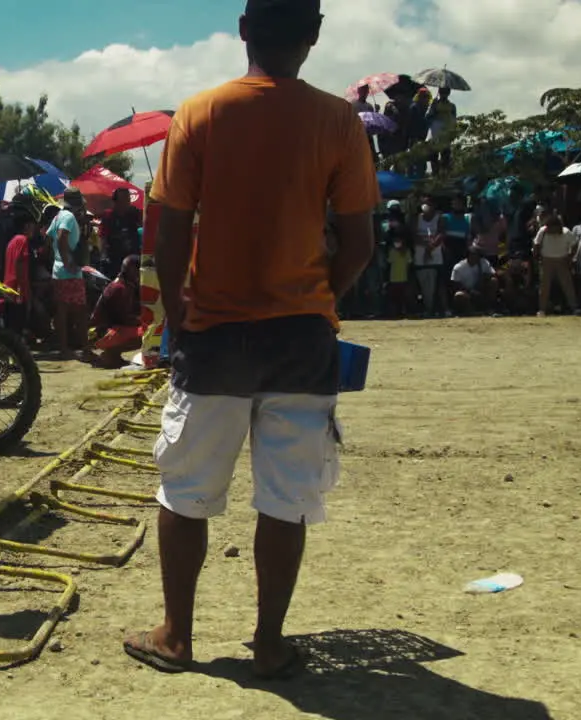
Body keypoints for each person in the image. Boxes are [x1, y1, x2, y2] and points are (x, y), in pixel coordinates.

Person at [123, 0, 377, 679]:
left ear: (244, 30)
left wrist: (178, 308)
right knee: (287, 496)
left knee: (186, 490)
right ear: (314, 35)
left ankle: (177, 636)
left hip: (214, 330)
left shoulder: (201, 113)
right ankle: (269, 642)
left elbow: (171, 227)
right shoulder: (337, 121)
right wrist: (321, 294)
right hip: (301, 336)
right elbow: (359, 242)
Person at [49, 188, 89, 360]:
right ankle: (85, 349)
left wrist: (58, 258)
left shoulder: (57, 216)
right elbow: (61, 237)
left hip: (58, 271)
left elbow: (48, 236)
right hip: (70, 272)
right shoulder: (69, 217)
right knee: (80, 311)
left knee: (62, 311)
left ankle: (64, 348)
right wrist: (67, 261)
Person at [87, 254, 143, 369]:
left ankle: (113, 355)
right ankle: (110, 355)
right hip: (99, 333)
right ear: (132, 270)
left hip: (103, 330)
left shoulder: (125, 285)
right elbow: (124, 319)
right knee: (147, 333)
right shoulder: (120, 288)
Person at [533, 211, 580, 316]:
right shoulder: (543, 231)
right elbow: (536, 244)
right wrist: (537, 258)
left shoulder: (566, 232)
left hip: (562, 260)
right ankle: (542, 309)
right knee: (544, 286)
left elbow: (574, 244)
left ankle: (574, 307)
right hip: (546, 261)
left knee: (567, 284)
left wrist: (570, 257)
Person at [2, 211, 36, 338]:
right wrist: (24, 291)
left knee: (11, 328)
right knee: (17, 327)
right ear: (27, 226)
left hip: (8, 288)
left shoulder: (12, 241)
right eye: (33, 226)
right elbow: (20, 265)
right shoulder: (22, 240)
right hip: (17, 289)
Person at [412, 196, 447, 316]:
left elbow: (441, 233)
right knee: (423, 283)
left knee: (437, 283)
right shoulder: (417, 218)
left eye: (427, 203)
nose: (425, 205)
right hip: (420, 256)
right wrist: (425, 246)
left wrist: (430, 247)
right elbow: (414, 235)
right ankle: (426, 308)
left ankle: (439, 308)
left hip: (436, 255)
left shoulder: (439, 218)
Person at [98, 188, 142, 278]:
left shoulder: (134, 213)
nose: (127, 202)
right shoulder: (108, 215)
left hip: (132, 259)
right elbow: (103, 237)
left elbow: (145, 222)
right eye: (124, 199)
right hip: (114, 259)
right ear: (116, 201)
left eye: (128, 199)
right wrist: (103, 256)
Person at [384, 205, 412, 318]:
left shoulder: (404, 227)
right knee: (393, 295)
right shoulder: (388, 229)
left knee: (404, 295)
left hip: (404, 275)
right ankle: (394, 312)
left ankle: (404, 311)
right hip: (393, 275)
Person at [450, 247, 497, 316]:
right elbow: (455, 284)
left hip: (481, 290)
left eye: (476, 255)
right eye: (472, 255)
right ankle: (470, 312)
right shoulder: (459, 267)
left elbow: (493, 274)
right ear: (467, 256)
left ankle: (489, 308)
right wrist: (470, 291)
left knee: (493, 281)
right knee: (459, 295)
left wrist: (483, 279)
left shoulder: (483, 263)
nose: (474, 258)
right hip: (467, 292)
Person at [426, 87, 458, 173]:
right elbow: (429, 117)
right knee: (434, 155)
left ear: (448, 93)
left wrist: (454, 132)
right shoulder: (435, 104)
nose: (444, 94)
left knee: (446, 156)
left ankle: (444, 175)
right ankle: (435, 174)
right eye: (442, 92)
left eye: (446, 92)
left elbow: (454, 119)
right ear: (439, 93)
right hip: (436, 133)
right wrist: (433, 107)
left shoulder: (452, 106)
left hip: (447, 133)